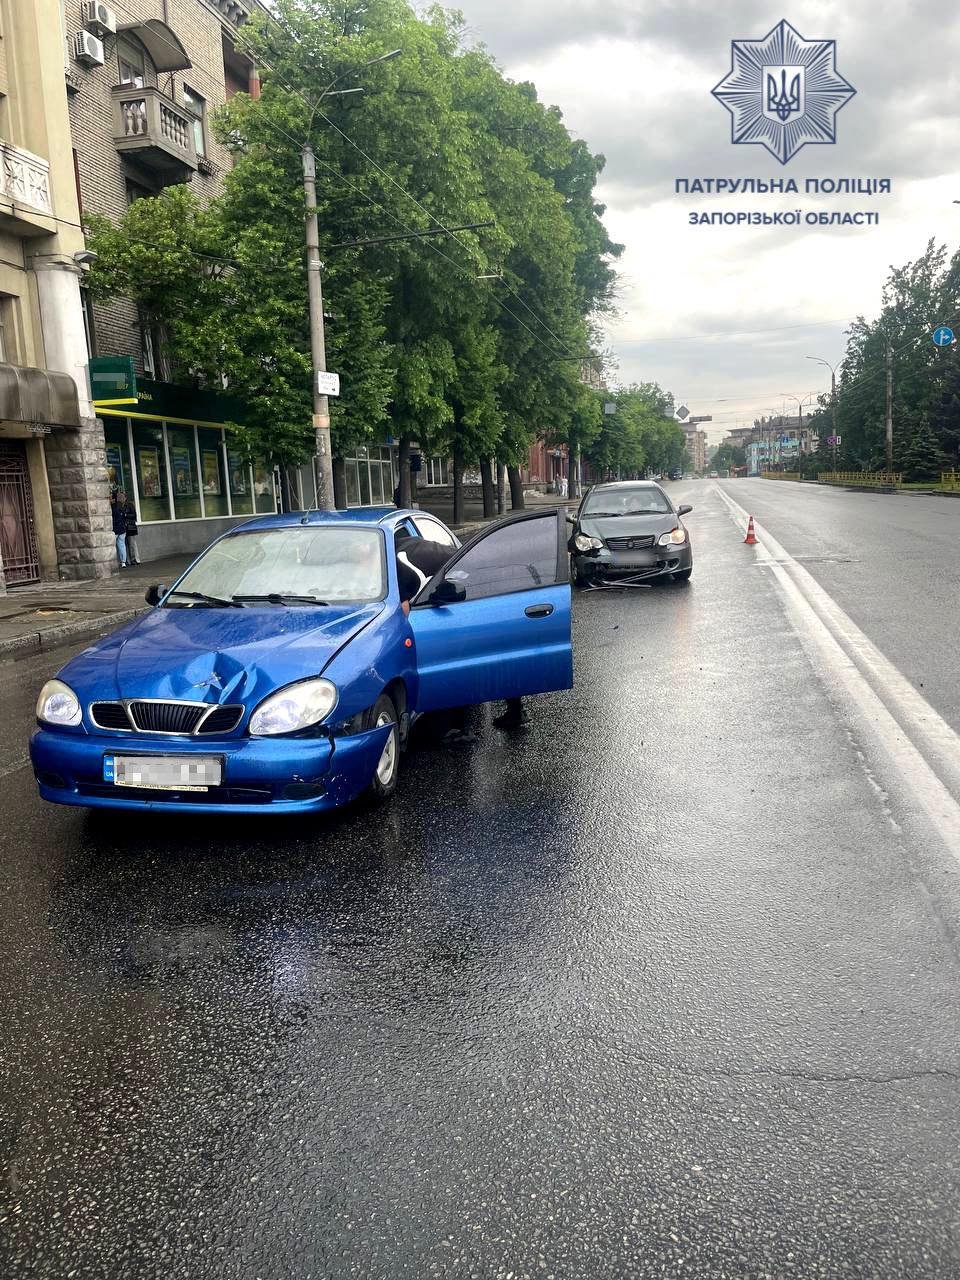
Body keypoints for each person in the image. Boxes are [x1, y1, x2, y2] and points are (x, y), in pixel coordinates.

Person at [110, 489, 128, 568]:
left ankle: (113, 562)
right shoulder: (121, 505)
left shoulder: (112, 507)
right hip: (122, 529)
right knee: (122, 545)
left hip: (115, 529)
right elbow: (124, 517)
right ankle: (123, 562)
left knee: (112, 546)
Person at [122, 495, 141, 565]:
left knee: (132, 544)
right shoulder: (121, 505)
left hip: (130, 527)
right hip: (125, 527)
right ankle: (129, 560)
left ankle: (134, 559)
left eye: (122, 497)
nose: (121, 499)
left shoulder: (130, 505)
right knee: (126, 544)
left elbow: (134, 516)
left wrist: (126, 515)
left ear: (125, 498)